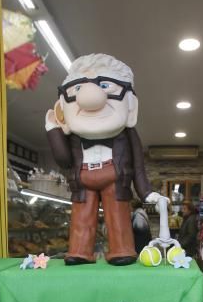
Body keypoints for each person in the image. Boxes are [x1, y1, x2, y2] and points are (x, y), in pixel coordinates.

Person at [45, 53, 163, 266]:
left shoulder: (128, 135)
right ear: (63, 105)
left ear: (131, 105)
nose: (89, 97)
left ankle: (122, 249)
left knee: (118, 216)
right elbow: (63, 160)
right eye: (77, 89)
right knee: (82, 217)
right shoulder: (72, 137)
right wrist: (53, 129)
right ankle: (80, 251)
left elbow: (138, 166)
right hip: (83, 179)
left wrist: (147, 192)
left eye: (107, 85)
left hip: (115, 177)